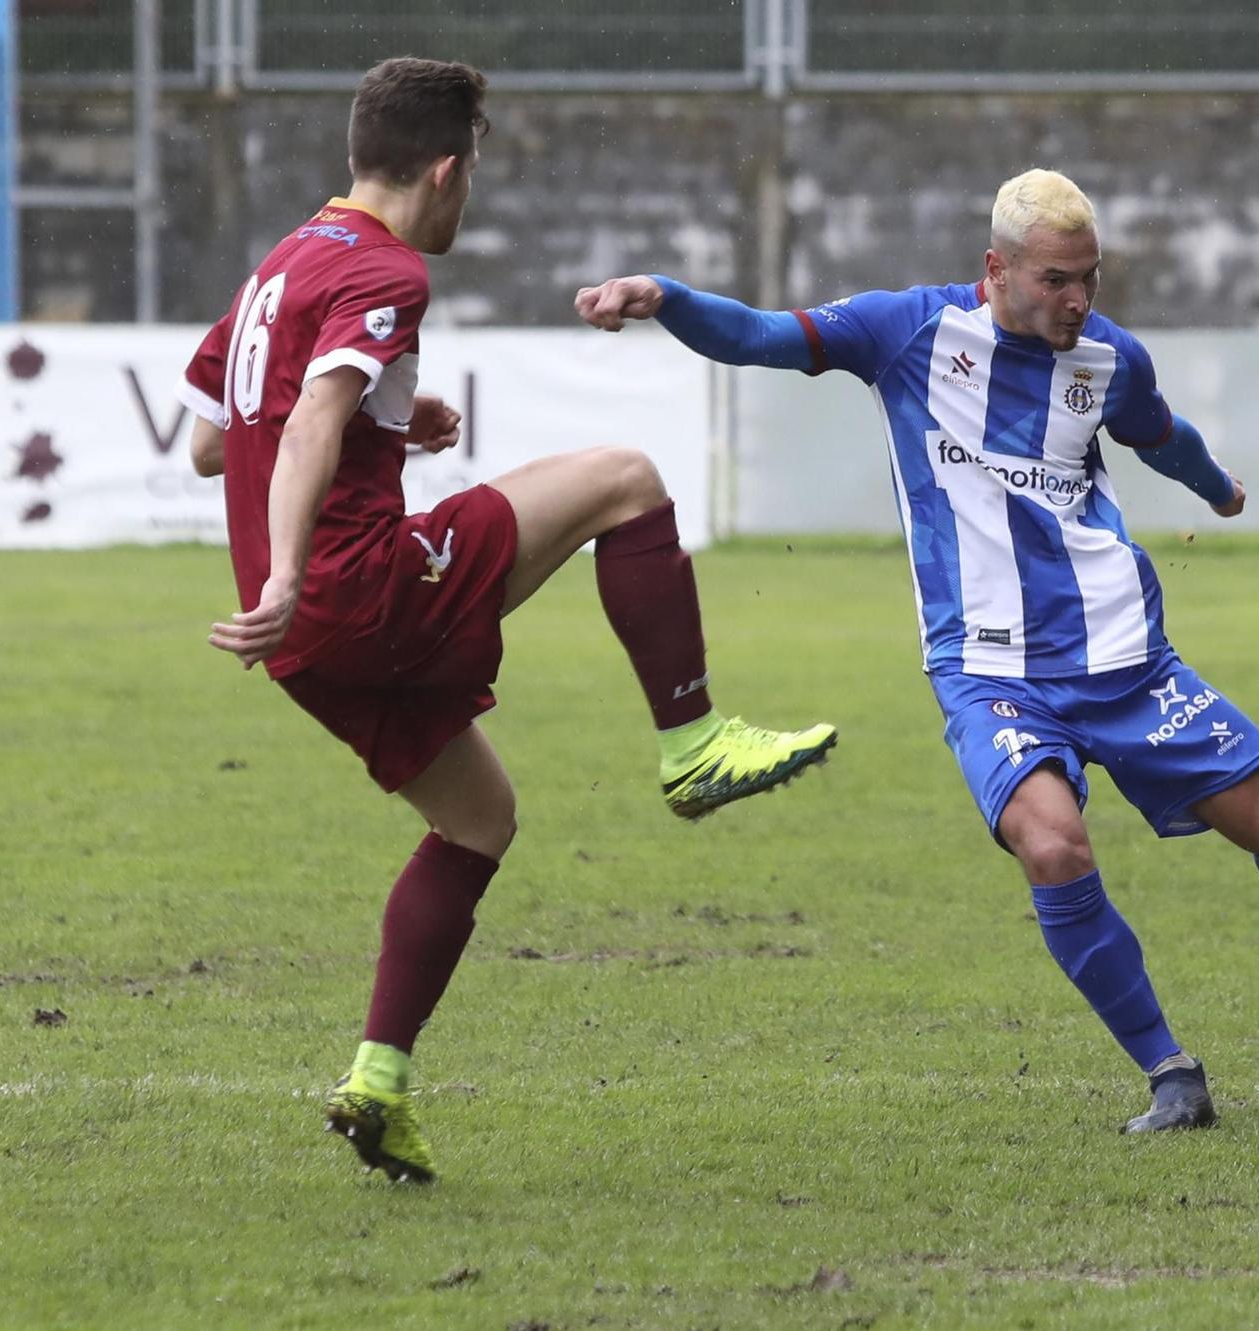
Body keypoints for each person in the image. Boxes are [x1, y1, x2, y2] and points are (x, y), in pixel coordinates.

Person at [575, 168, 1259, 1134]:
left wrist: (1218, 487)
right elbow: (764, 336)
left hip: (1126, 658)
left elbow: (1161, 435)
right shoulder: (906, 332)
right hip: (987, 669)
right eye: (1057, 279)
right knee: (1053, 845)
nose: (1077, 301)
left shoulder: (1110, 357)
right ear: (997, 268)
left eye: (1090, 279)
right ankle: (1170, 1072)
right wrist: (664, 298)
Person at [176, 57, 836, 1183]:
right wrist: (289, 564)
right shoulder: (385, 269)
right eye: (470, 169)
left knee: (478, 818)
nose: (467, 190)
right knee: (624, 476)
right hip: (352, 589)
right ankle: (691, 740)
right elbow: (303, 426)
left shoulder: (283, 264)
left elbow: (207, 440)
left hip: (303, 644)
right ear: (443, 169)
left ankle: (378, 1079)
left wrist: (390, 416)